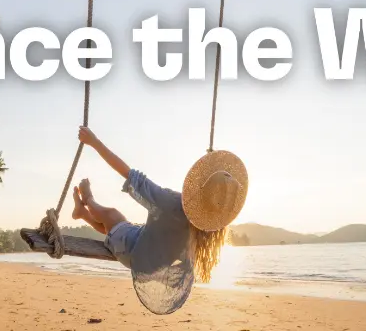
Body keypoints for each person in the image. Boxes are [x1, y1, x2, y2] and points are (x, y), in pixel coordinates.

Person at [69, 126, 248, 313]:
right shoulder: (211, 228)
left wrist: (95, 142)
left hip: (136, 253)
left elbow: (131, 175)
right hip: (151, 254)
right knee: (118, 225)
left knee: (112, 215)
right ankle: (82, 214)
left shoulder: (172, 203)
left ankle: (88, 201)